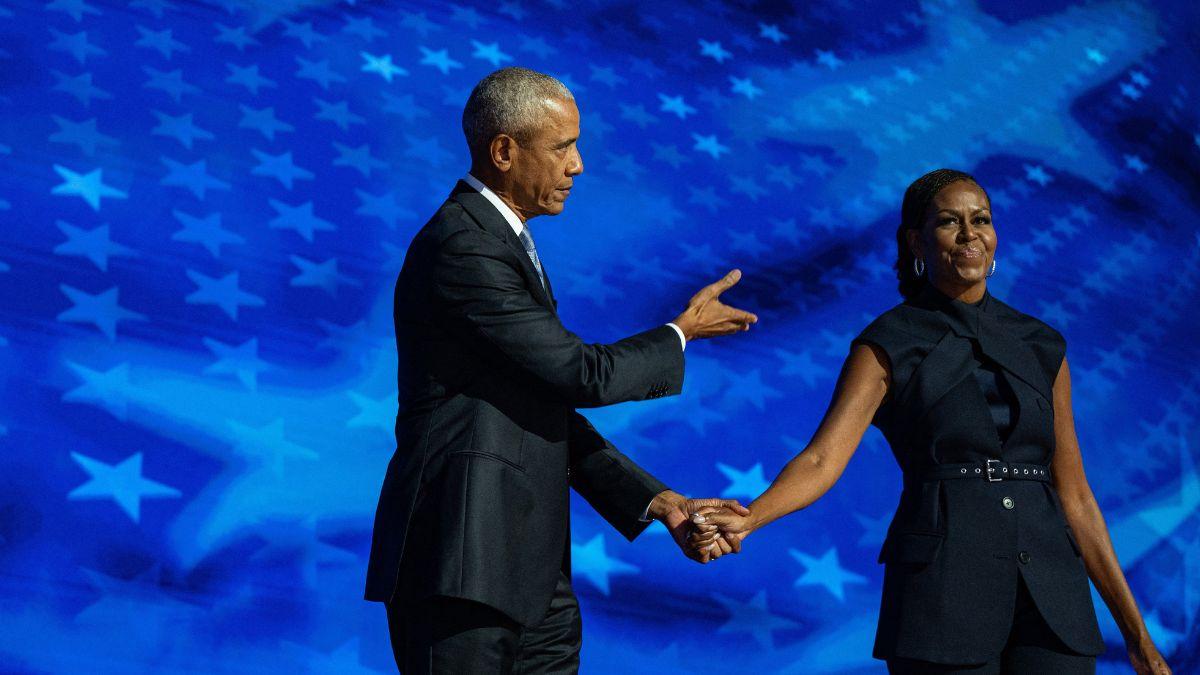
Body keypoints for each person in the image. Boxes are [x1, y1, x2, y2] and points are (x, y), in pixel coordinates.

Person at [692, 169, 1172, 674]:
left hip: (1054, 604)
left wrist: (1138, 639)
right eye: (949, 222)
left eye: (980, 220)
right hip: (942, 596)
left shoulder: (1043, 344)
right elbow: (820, 460)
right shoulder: (888, 343)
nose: (969, 234)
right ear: (916, 241)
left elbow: (1076, 497)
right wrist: (752, 517)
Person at [364, 67, 757, 674]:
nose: (578, 165)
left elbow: (543, 411)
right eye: (562, 147)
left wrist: (660, 503)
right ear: (503, 152)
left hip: (532, 576)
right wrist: (681, 333)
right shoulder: (462, 246)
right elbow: (579, 374)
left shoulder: (502, 242)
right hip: (462, 565)